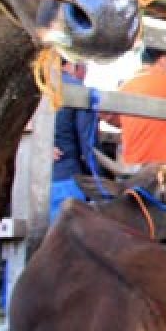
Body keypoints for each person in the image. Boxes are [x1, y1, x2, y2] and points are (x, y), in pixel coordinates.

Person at [110, 48, 166, 172]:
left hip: (131, 166)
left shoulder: (126, 86)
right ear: (163, 60)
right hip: (161, 168)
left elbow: (111, 117)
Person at [50, 60, 97, 222]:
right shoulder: (78, 90)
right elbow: (88, 144)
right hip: (65, 180)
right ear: (70, 63)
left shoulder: (30, 86)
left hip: (24, 184)